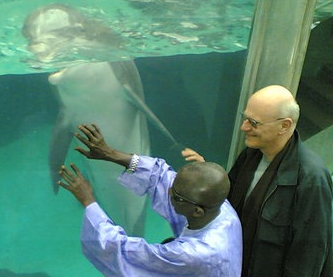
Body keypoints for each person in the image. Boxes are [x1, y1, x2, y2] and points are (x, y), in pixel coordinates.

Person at [58, 123, 242, 277]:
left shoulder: (194, 255)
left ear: (197, 211)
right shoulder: (221, 210)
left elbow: (120, 252)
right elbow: (160, 175)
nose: (168, 191)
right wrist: (109, 153)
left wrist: (88, 201)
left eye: (176, 195)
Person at [199, 85, 332, 276]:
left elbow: (308, 256)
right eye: (245, 118)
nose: (244, 127)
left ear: (284, 125)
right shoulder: (250, 155)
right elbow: (226, 204)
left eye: (254, 122)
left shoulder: (311, 178)